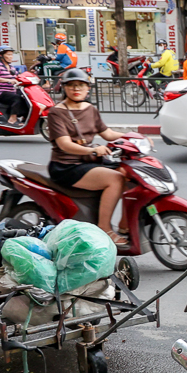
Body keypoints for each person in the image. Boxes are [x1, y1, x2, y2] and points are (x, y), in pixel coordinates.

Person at [46, 68, 135, 245]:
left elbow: (107, 133)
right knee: (116, 179)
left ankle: (125, 225)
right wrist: (93, 150)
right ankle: (105, 229)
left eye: (80, 85)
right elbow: (64, 144)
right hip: (66, 166)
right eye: (71, 86)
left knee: (130, 173)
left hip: (88, 162)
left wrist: (133, 137)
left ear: (88, 88)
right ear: (64, 88)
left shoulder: (90, 109)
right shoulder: (57, 112)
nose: (76, 89)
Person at [0, 45, 28, 124]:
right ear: (1, 56)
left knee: (27, 98)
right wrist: (9, 81)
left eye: (11, 54)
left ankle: (25, 118)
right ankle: (12, 119)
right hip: (0, 92)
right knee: (17, 99)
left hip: (11, 91)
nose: (11, 57)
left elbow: (18, 77)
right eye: (8, 54)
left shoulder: (11, 67)